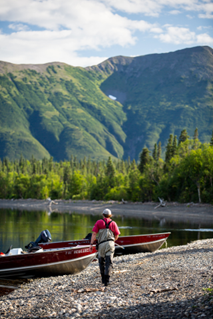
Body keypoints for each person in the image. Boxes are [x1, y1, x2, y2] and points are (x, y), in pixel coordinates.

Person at [89, 208, 120, 286]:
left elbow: (94, 234)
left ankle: (103, 279)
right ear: (110, 215)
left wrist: (91, 244)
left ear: (103, 215)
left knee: (101, 262)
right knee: (108, 262)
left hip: (101, 244)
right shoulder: (113, 223)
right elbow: (117, 235)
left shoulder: (99, 222)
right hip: (110, 244)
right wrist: (112, 241)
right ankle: (107, 280)